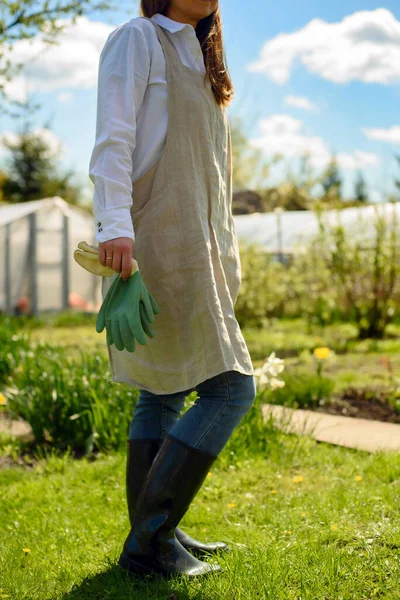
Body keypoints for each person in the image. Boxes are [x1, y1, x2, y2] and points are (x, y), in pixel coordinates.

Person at [88, 0, 256, 579]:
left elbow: (213, 177)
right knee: (231, 389)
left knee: (161, 393)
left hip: (199, 245)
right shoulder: (138, 39)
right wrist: (114, 229)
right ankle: (149, 542)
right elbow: (114, 138)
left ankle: (158, 535)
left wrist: (226, 259)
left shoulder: (206, 65)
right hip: (155, 239)